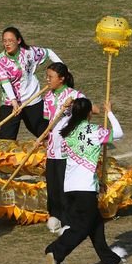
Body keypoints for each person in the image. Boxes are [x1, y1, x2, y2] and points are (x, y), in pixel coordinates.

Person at [44, 97, 127, 264]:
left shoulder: (67, 131)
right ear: (90, 113)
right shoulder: (95, 131)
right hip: (85, 190)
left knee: (95, 225)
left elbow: (62, 121)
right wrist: (109, 112)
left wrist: (66, 108)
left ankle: (111, 262)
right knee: (81, 228)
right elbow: (119, 134)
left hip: (70, 189)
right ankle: (55, 252)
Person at [0, 26, 62, 140]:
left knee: (44, 134)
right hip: (11, 104)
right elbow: (5, 83)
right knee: (6, 138)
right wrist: (14, 102)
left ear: (18, 41)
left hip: (32, 100)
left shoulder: (29, 52)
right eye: (5, 41)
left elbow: (48, 52)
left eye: (10, 41)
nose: (7, 44)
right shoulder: (0, 62)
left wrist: (63, 68)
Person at [41, 63, 86, 233]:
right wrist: (43, 137)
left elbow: (89, 111)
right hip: (52, 147)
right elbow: (48, 121)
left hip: (68, 148)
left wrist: (73, 106)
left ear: (62, 79)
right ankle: (55, 215)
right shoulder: (48, 97)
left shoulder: (75, 95)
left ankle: (69, 220)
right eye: (47, 76)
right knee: (52, 185)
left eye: (50, 77)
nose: (47, 80)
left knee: (64, 185)